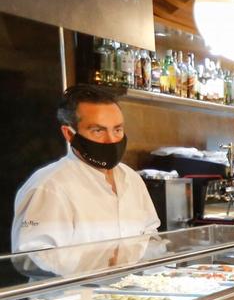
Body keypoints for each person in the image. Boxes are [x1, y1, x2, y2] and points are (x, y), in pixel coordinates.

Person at [12, 84, 158, 252]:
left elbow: (150, 233)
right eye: (98, 131)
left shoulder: (132, 179)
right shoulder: (48, 186)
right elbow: (31, 258)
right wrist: (97, 262)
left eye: (117, 129)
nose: (111, 140)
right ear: (69, 134)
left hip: (134, 279)